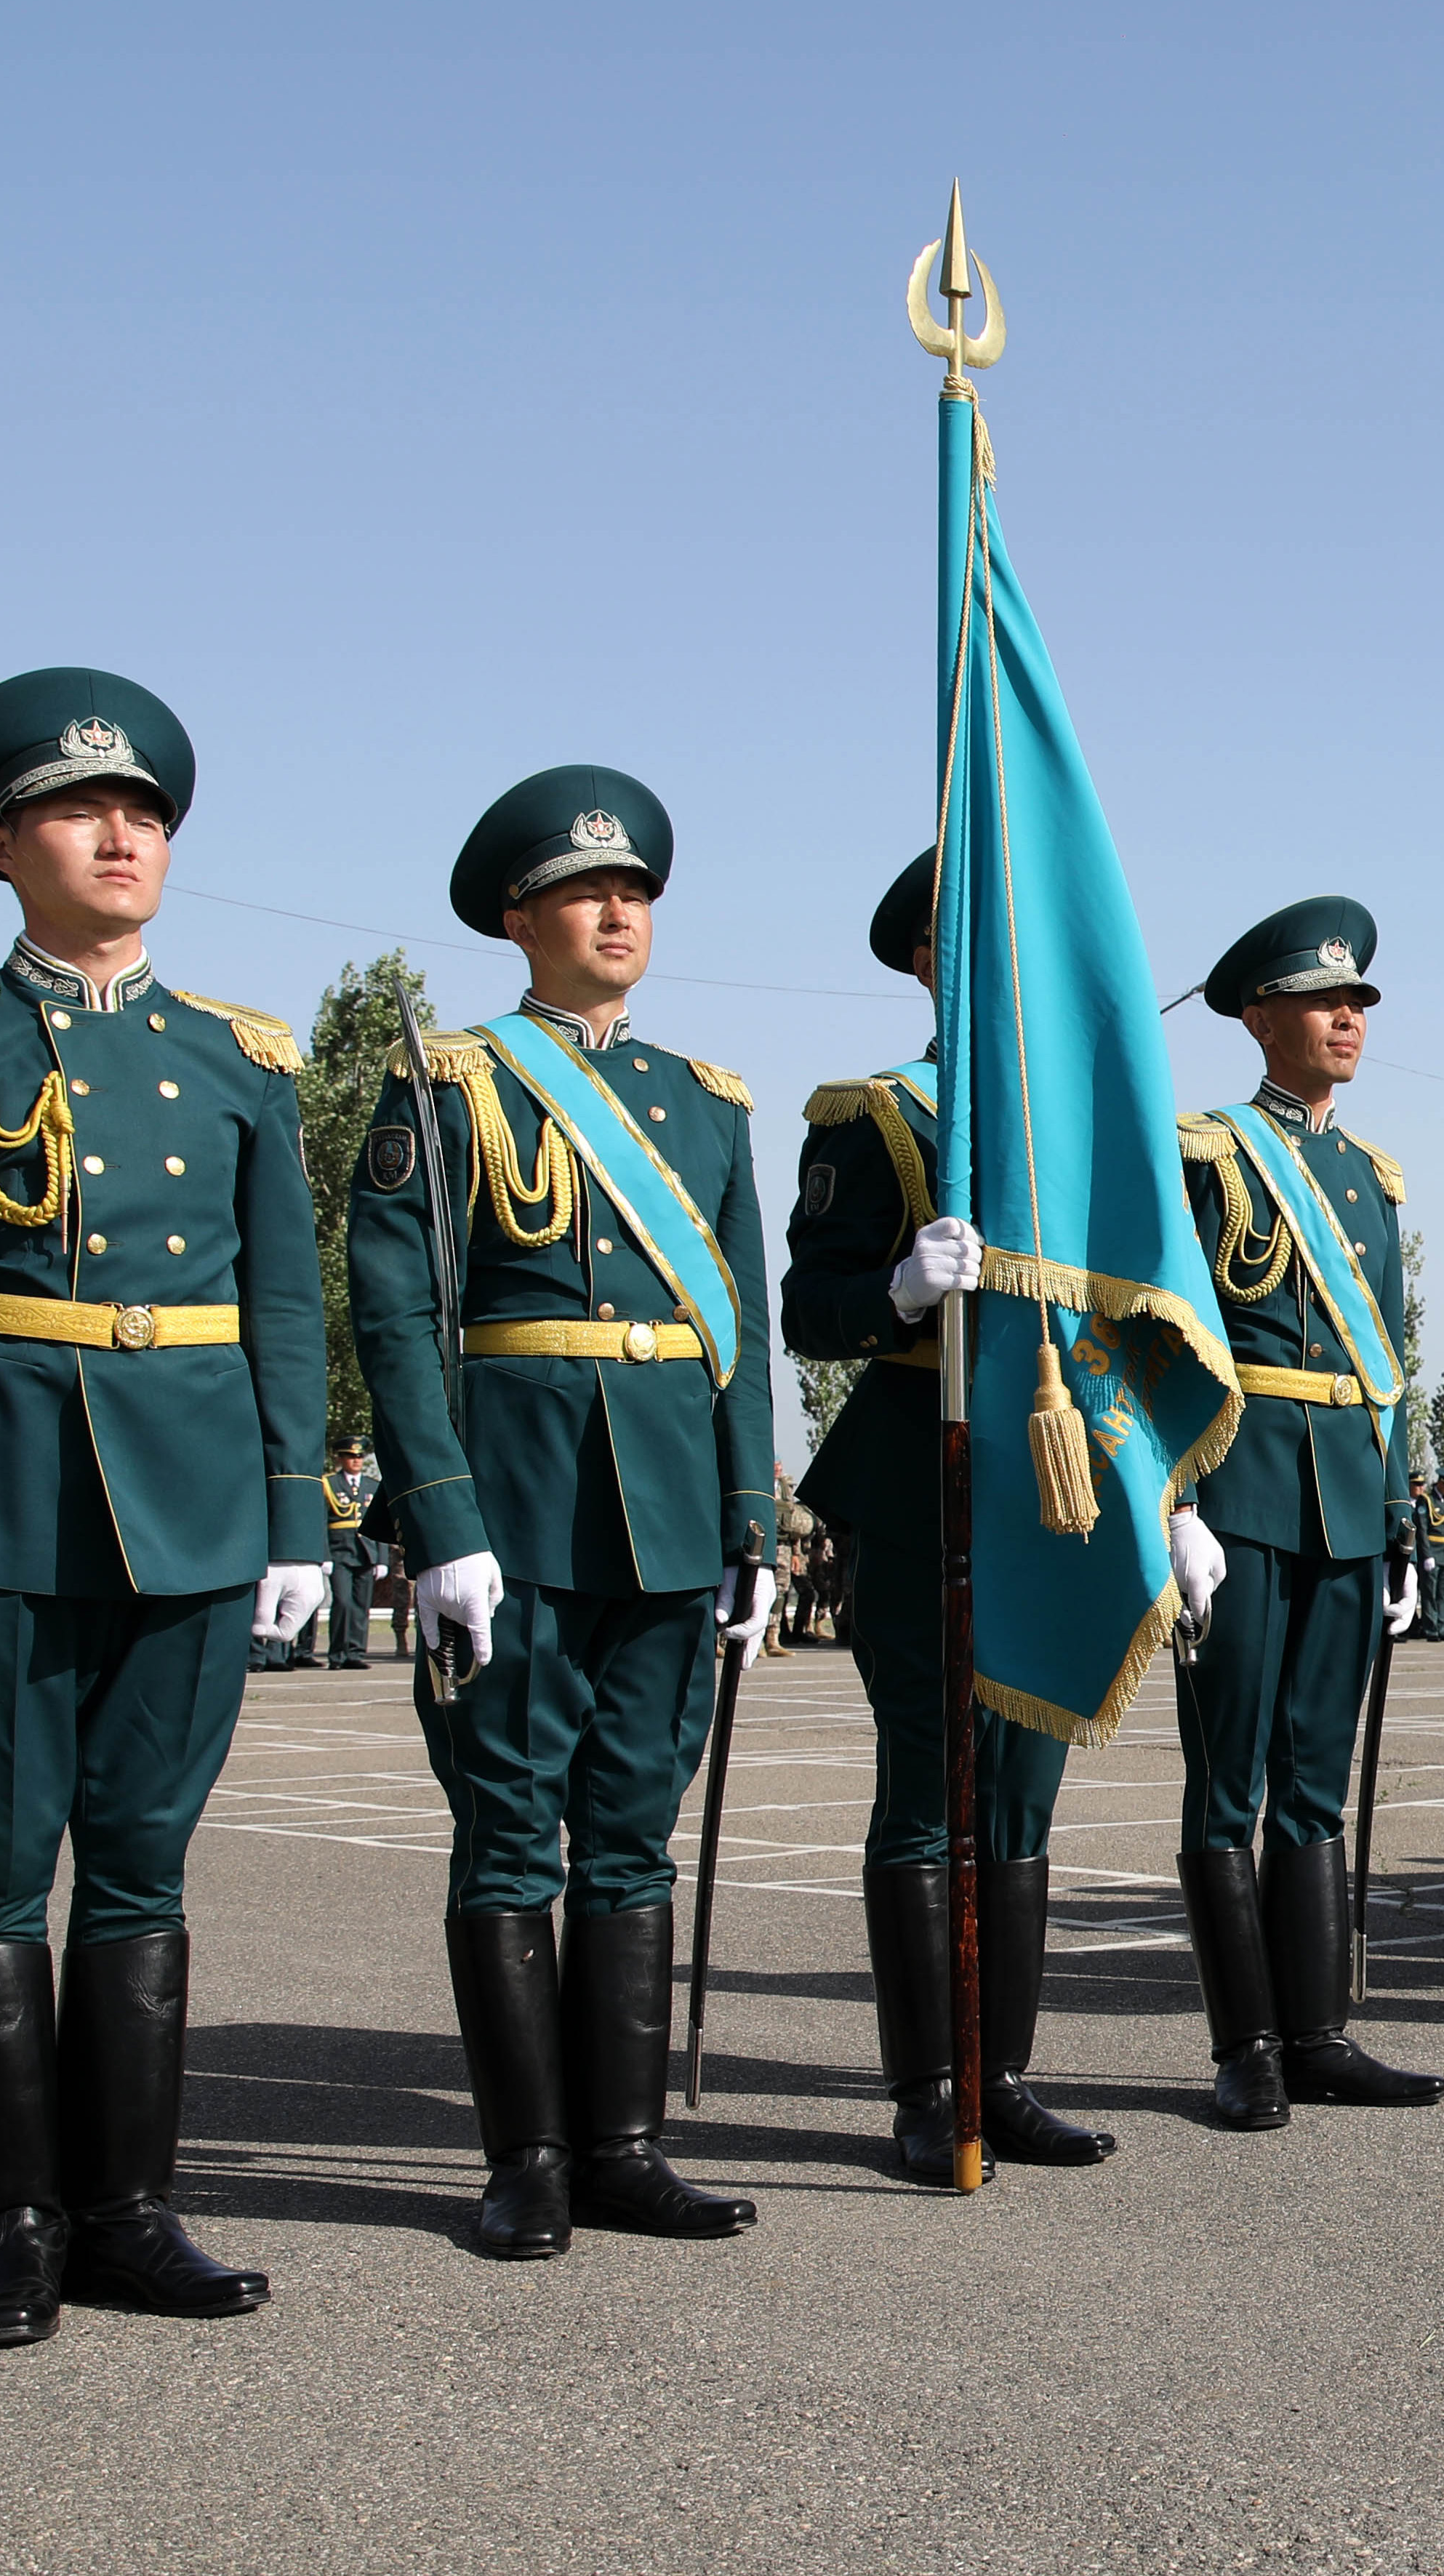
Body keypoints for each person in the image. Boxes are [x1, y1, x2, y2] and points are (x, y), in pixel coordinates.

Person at [0, 667, 318, 2343]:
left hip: (191, 1497)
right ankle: (13, 2222)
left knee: (142, 1873)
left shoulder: (240, 1058)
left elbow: (288, 1315)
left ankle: (127, 2209)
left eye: (148, 812)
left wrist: (299, 1519)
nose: (124, 833)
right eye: (81, 808)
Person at [349, 765, 771, 2259]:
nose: (616, 912)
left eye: (637, 891)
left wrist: (749, 1523)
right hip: (514, 1507)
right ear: (517, 915)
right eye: (587, 890)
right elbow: (396, 1313)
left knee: (632, 1838)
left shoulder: (707, 1105)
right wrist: (437, 1513)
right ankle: (523, 2156)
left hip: (665, 1512)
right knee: (512, 1831)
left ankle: (626, 2146)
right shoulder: (447, 1081)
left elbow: (740, 1334)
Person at [779, 848, 1120, 2181]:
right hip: (922, 1468)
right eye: (974, 939)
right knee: (930, 1781)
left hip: (1056, 1481)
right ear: (927, 958)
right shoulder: (875, 1114)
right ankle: (930, 2089)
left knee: (1025, 1790)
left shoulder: (1081, 1121)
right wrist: (902, 1292)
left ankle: (1006, 2073)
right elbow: (812, 1310)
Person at [1171, 896, 1444, 2123]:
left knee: (1316, 1782)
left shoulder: (1370, 1174)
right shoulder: (1209, 1153)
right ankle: (1245, 2047)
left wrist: (1395, 1514)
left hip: (1344, 1492)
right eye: (1327, 1000)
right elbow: (1157, 1343)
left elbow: (1385, 1356)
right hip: (1242, 1487)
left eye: (1360, 1003)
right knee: (1232, 1780)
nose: (1350, 1018)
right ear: (1259, 1014)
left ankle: (1320, 2028)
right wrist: (1175, 1501)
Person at [318, 1440, 378, 1671]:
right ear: (341, 1459)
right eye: (351, 1456)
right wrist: (324, 1555)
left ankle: (355, 1652)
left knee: (361, 1606)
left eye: (360, 1456)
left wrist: (381, 1559)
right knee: (342, 1603)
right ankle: (337, 1654)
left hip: (366, 1553)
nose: (356, 1461)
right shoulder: (329, 1484)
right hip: (339, 1552)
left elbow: (378, 1524)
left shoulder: (372, 1486)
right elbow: (321, 1523)